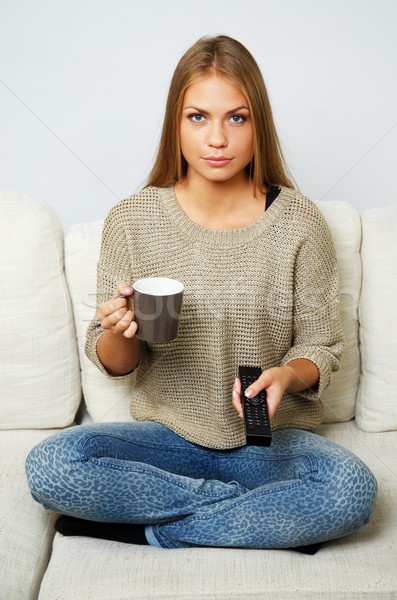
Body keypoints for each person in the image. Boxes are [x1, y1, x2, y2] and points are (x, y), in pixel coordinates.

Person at [25, 35, 377, 551]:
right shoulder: (132, 220)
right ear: (176, 122)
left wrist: (285, 374)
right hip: (166, 441)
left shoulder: (300, 223)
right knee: (50, 466)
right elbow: (117, 363)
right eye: (198, 117)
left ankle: (154, 529)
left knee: (351, 492)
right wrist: (118, 330)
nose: (217, 138)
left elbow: (322, 348)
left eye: (236, 118)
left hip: (266, 441)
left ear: (259, 124)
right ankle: (252, 516)